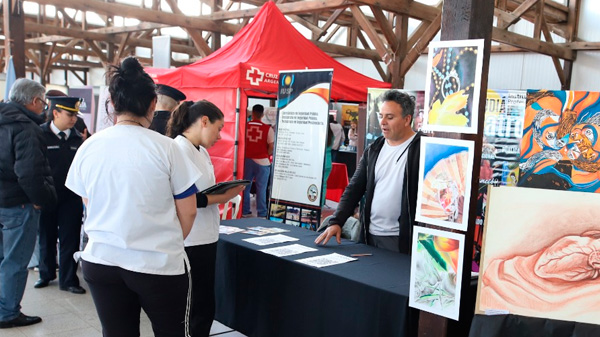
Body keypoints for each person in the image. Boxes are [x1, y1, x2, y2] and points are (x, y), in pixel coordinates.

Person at [65, 57, 200, 337]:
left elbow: (89, 204)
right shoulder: (167, 148)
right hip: (158, 265)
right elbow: (188, 211)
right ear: (153, 103)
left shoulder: (89, 146)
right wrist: (166, 241)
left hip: (101, 261)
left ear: (112, 102)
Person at [167, 100, 245, 337]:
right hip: (191, 239)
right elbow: (187, 199)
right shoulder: (178, 149)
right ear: (203, 121)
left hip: (206, 236)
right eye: (219, 128)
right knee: (195, 307)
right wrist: (222, 197)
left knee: (204, 303)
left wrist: (222, 194)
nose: (220, 136)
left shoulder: (199, 150)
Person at [315, 90, 424, 254]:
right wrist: (337, 221)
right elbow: (354, 188)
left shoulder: (422, 149)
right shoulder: (374, 148)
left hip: (401, 239)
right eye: (381, 116)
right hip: (368, 235)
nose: (383, 122)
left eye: (390, 117)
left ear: (407, 119)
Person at [0, 78, 57, 328]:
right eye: (44, 103)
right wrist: (41, 201)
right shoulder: (27, 128)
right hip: (19, 205)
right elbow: (30, 174)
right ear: (35, 101)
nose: (45, 108)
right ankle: (9, 312)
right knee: (15, 260)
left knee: (3, 258)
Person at [35, 96, 86, 294]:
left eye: (75, 115)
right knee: (46, 236)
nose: (73, 119)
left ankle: (68, 279)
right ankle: (46, 274)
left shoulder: (78, 137)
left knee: (70, 238)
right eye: (69, 114)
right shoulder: (39, 134)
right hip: (47, 195)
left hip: (71, 197)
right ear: (55, 113)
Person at [242, 104, 274, 218]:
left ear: (253, 113)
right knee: (261, 188)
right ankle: (262, 213)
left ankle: (245, 211)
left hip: (246, 160)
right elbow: (271, 146)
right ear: (262, 114)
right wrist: (266, 154)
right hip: (263, 162)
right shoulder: (267, 128)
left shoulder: (244, 126)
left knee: (245, 187)